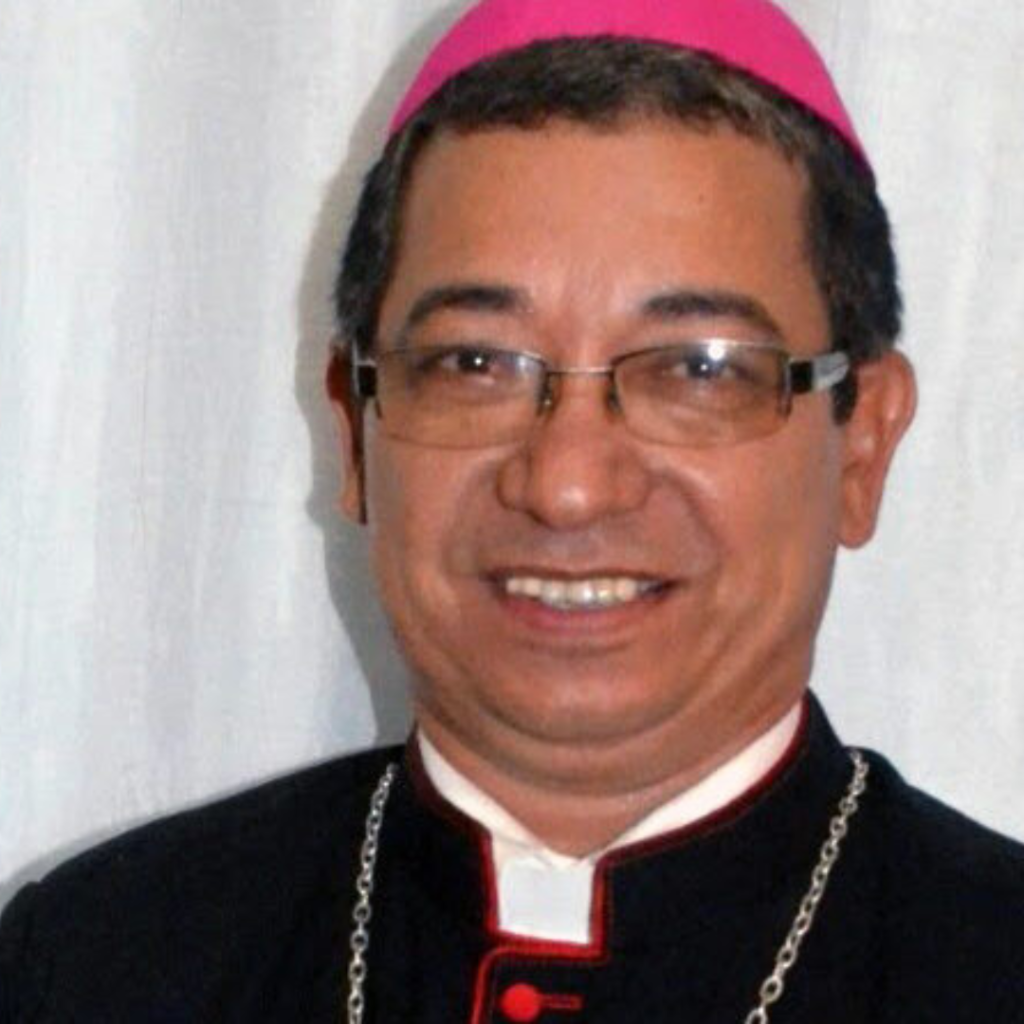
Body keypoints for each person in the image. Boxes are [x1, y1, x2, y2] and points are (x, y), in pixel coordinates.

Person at [2, 0, 1023, 1020]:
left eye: (698, 367)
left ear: (862, 445)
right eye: (473, 362)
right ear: (354, 431)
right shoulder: (91, 966)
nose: (566, 485)